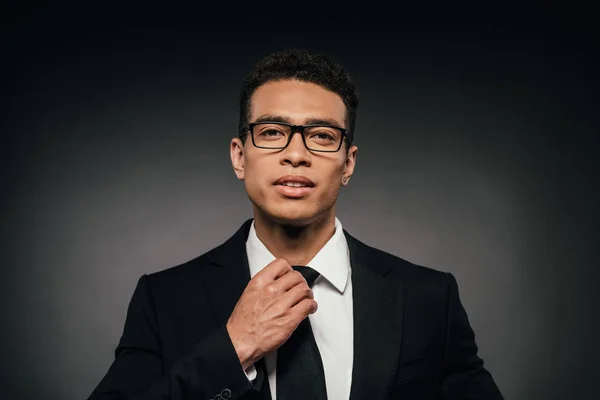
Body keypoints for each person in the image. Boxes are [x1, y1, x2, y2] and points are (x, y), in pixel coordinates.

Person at [88, 49, 503, 400]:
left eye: (321, 135)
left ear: (348, 163)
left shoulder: (429, 298)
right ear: (239, 156)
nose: (296, 154)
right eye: (272, 131)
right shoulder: (164, 300)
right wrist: (233, 347)